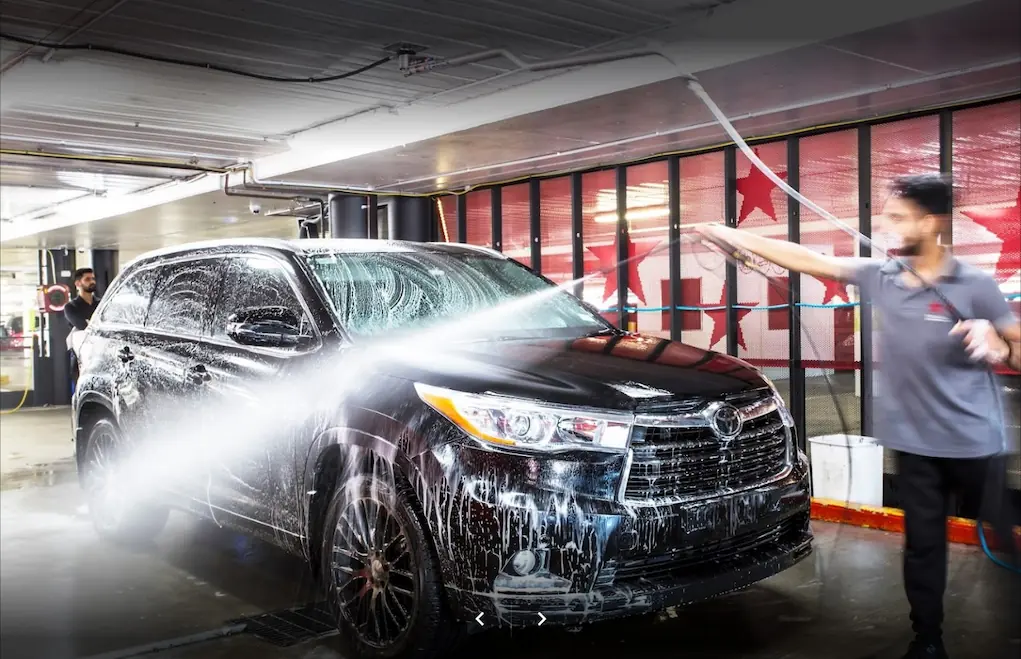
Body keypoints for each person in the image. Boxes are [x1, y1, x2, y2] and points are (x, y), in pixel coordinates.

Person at [695, 174, 1020, 659]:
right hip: (914, 443)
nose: (887, 227)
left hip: (976, 441)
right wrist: (728, 233)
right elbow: (807, 259)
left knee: (1005, 540)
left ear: (931, 223)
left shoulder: (973, 284)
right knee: (923, 547)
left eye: (899, 218)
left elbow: (1017, 350)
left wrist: (996, 342)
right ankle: (927, 640)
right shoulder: (880, 275)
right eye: (887, 217)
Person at [64, 267, 101, 390]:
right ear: (78, 283)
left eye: (93, 279)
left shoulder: (101, 304)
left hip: (100, 353)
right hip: (81, 357)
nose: (92, 282)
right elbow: (84, 327)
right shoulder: (71, 307)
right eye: (88, 279)